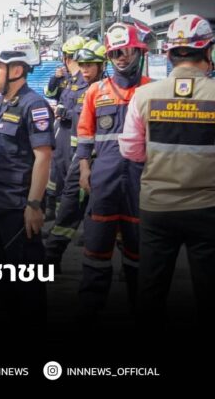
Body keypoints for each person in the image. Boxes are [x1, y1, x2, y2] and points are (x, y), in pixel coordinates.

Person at [119, 14, 215, 332]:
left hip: (157, 207)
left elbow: (130, 151)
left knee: (151, 290)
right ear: (208, 51)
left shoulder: (144, 95)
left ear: (169, 53)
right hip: (208, 208)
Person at [0, 32, 53, 325]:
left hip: (17, 209)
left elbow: (43, 157)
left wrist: (33, 205)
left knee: (26, 285)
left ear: (17, 69)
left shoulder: (34, 105)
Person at [76, 21, 151, 322]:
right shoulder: (96, 91)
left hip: (140, 180)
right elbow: (85, 134)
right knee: (96, 249)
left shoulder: (151, 90)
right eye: (115, 53)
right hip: (104, 179)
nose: (121, 58)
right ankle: (89, 310)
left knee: (138, 251)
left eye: (126, 51)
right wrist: (84, 169)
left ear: (138, 52)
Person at [44, 39, 107, 272]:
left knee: (107, 209)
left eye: (90, 65)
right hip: (80, 156)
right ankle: (51, 258)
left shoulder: (107, 91)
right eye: (82, 64)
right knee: (69, 205)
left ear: (101, 65)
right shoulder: (75, 84)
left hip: (103, 160)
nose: (84, 69)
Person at [45, 36, 87, 221]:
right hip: (61, 132)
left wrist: (64, 112)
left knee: (70, 175)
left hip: (73, 134)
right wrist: (55, 78)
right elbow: (50, 93)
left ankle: (68, 216)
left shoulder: (85, 81)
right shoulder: (67, 78)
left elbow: (83, 111)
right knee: (56, 171)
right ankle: (54, 211)